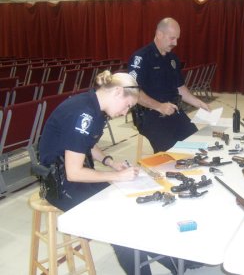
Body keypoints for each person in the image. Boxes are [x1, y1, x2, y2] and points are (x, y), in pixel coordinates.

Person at [37, 70, 178, 275]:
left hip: (76, 176)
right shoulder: (83, 113)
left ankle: (175, 262)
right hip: (60, 185)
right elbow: (73, 173)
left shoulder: (95, 106)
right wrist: (117, 176)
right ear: (118, 92)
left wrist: (110, 163)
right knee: (119, 223)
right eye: (127, 106)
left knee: (132, 204)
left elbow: (89, 144)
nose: (125, 113)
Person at [128, 17, 210, 153]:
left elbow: (180, 87)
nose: (176, 43)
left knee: (197, 147)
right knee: (171, 155)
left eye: (177, 38)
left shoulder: (173, 59)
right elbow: (133, 91)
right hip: (150, 115)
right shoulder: (141, 58)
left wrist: (197, 102)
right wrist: (159, 106)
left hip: (173, 110)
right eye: (172, 38)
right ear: (159, 34)